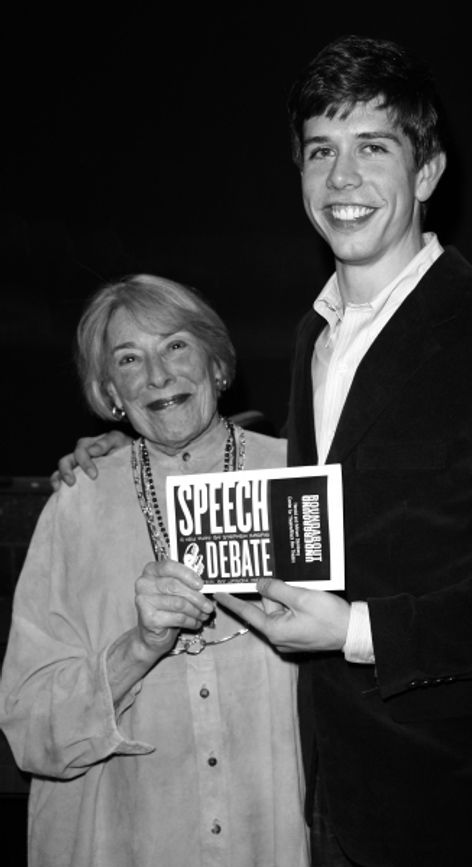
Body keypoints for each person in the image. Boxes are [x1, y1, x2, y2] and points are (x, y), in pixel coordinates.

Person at [210, 34, 472, 867]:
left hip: (466, 818)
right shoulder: (314, 332)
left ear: (426, 173)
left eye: (372, 148)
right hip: (332, 806)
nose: (341, 179)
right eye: (321, 152)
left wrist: (357, 628)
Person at [0, 274, 310, 867]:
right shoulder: (78, 506)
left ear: (217, 364)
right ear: (111, 391)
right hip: (131, 840)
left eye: (175, 345)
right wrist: (137, 649)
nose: (158, 375)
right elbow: (29, 728)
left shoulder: (300, 482)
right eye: (128, 359)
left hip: (276, 837)